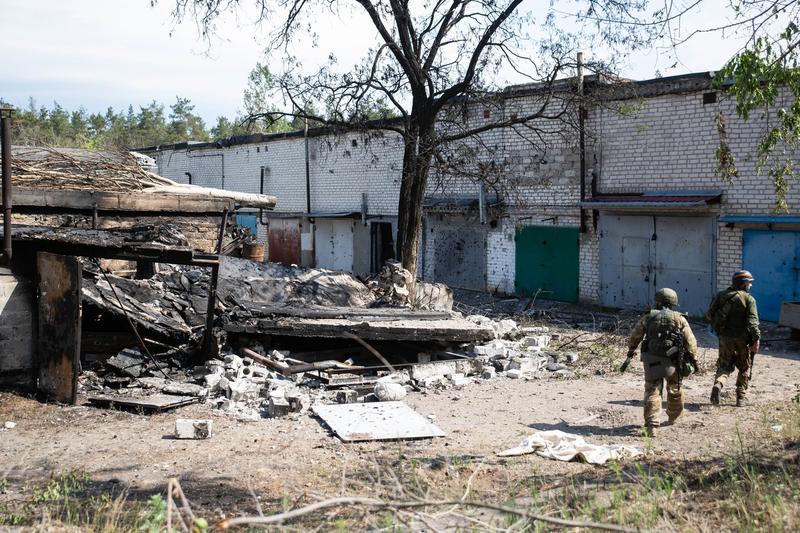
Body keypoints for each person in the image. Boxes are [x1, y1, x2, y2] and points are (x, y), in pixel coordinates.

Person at [624, 288, 698, 438]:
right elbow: (691, 341)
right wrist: (693, 359)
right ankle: (674, 416)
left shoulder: (648, 317)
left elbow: (635, 335)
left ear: (657, 301)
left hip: (652, 359)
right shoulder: (680, 319)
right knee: (675, 388)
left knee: (652, 390)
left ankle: (652, 425)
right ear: (673, 303)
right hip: (674, 359)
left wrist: (631, 350)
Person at [706, 270, 760, 407]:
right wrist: (756, 339)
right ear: (743, 284)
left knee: (724, 365)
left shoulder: (721, 295)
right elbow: (753, 322)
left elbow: (709, 315)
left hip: (725, 338)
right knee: (744, 368)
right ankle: (741, 398)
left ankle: (718, 384)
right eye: (749, 283)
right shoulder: (749, 299)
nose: (751, 286)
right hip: (742, 340)